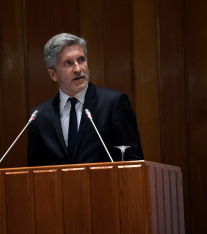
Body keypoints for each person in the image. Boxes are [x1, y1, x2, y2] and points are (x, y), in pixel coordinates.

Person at [27, 33, 143, 166]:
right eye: (68, 63)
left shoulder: (113, 104)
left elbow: (133, 162)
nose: (78, 69)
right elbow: (35, 173)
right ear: (53, 74)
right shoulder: (40, 117)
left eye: (81, 60)